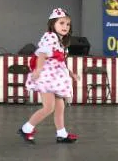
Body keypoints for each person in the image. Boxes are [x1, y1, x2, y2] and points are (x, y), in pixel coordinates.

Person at [18, 8, 80, 144]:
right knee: (49, 107)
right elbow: (42, 53)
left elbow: (61, 62)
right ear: (53, 24)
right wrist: (39, 70)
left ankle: (61, 134)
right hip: (47, 77)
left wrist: (71, 73)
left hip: (57, 78)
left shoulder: (62, 42)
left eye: (68, 24)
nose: (65, 27)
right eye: (62, 23)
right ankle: (26, 128)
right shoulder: (50, 36)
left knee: (60, 107)